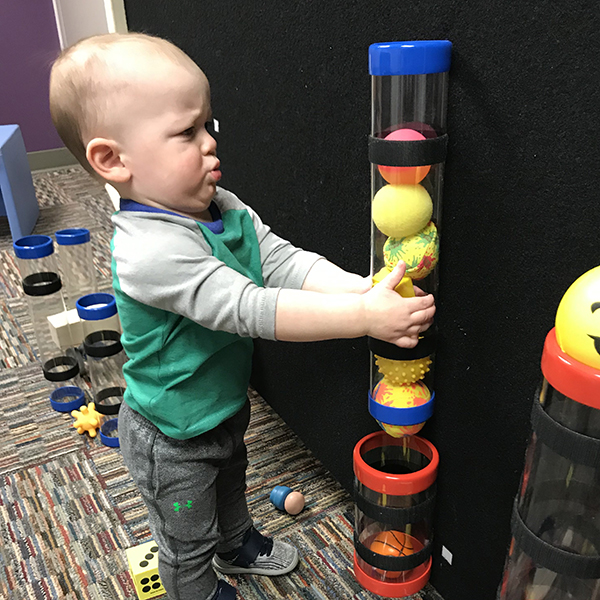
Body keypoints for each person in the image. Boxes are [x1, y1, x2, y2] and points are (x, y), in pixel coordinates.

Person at [49, 33, 436, 600]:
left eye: (209, 125)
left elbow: (281, 260)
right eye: (186, 132)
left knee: (231, 482)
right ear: (113, 159)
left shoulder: (221, 207)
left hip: (222, 409)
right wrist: (363, 317)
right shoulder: (149, 250)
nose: (210, 144)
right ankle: (198, 588)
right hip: (171, 437)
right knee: (186, 533)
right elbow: (250, 308)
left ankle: (237, 543)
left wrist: (364, 288)